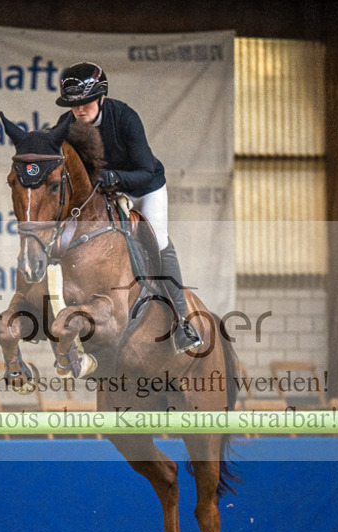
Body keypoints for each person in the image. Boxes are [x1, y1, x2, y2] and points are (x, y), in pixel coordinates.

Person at [54, 61, 203, 353]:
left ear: (101, 98)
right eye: (74, 105)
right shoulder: (67, 124)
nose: (79, 110)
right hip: (104, 194)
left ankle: (183, 320)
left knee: (158, 242)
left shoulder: (124, 118)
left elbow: (146, 170)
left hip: (143, 188)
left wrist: (117, 177)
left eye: (85, 103)